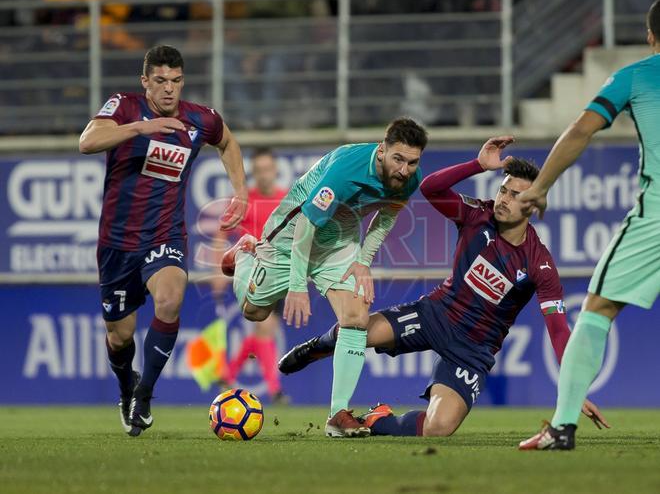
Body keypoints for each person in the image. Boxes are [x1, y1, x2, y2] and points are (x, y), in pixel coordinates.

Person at [279, 137, 608, 437]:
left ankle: (376, 420)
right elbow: (431, 188)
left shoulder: (540, 263)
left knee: (439, 427)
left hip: (473, 349)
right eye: (503, 189)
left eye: (516, 195)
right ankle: (315, 348)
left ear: (534, 205)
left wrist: (573, 389)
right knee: (357, 328)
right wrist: (477, 165)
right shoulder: (476, 214)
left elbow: (559, 332)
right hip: (435, 314)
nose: (504, 199)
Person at [79, 45, 248, 437]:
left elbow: (227, 142)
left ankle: (145, 393)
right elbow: (87, 141)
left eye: (175, 81)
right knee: (119, 337)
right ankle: (126, 389)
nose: (168, 89)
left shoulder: (198, 118)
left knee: (171, 299)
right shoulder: (124, 106)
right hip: (118, 244)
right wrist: (141, 128)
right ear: (146, 82)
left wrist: (240, 190)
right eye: (160, 81)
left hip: (165, 234)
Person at [222, 117, 428, 436]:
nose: (404, 169)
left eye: (412, 162)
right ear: (381, 151)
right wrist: (297, 286)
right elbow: (307, 225)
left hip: (339, 238)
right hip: (294, 231)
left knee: (356, 317)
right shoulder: (347, 170)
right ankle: (244, 254)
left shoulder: (409, 180)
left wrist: (363, 261)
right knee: (254, 311)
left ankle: (337, 415)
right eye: (398, 159)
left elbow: (385, 218)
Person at [518, 0, 660, 451]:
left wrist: (540, 186)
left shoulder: (636, 76)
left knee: (597, 308)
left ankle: (561, 428)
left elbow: (581, 129)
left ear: (651, 36)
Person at [212, 148, 290, 403]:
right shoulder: (245, 201)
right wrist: (218, 270)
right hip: (252, 270)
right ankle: (275, 390)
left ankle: (227, 374)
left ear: (276, 171)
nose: (264, 175)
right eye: (259, 171)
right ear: (253, 173)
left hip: (280, 272)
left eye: (268, 169)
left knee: (263, 333)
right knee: (265, 329)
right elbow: (221, 234)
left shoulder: (286, 199)